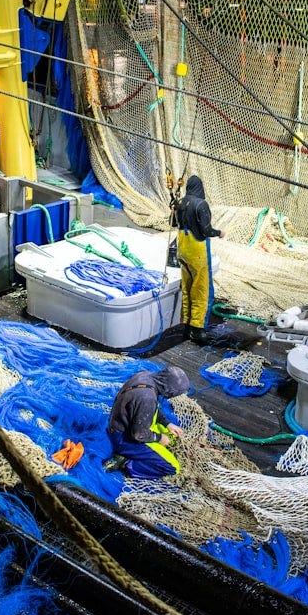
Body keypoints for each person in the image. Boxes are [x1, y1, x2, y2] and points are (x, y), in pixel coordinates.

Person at [103, 365, 189, 478]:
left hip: (124, 422)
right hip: (124, 438)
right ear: (169, 391)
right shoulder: (147, 399)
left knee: (172, 436)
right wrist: (159, 438)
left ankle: (145, 451)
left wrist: (167, 423)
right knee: (173, 467)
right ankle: (126, 463)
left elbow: (149, 410)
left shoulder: (145, 375)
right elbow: (139, 435)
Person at [174, 175, 224, 344]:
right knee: (202, 289)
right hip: (197, 250)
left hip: (182, 248)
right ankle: (198, 330)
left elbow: (174, 223)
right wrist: (219, 233)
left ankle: (186, 326)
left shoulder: (180, 203)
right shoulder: (201, 205)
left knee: (187, 288)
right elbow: (206, 230)